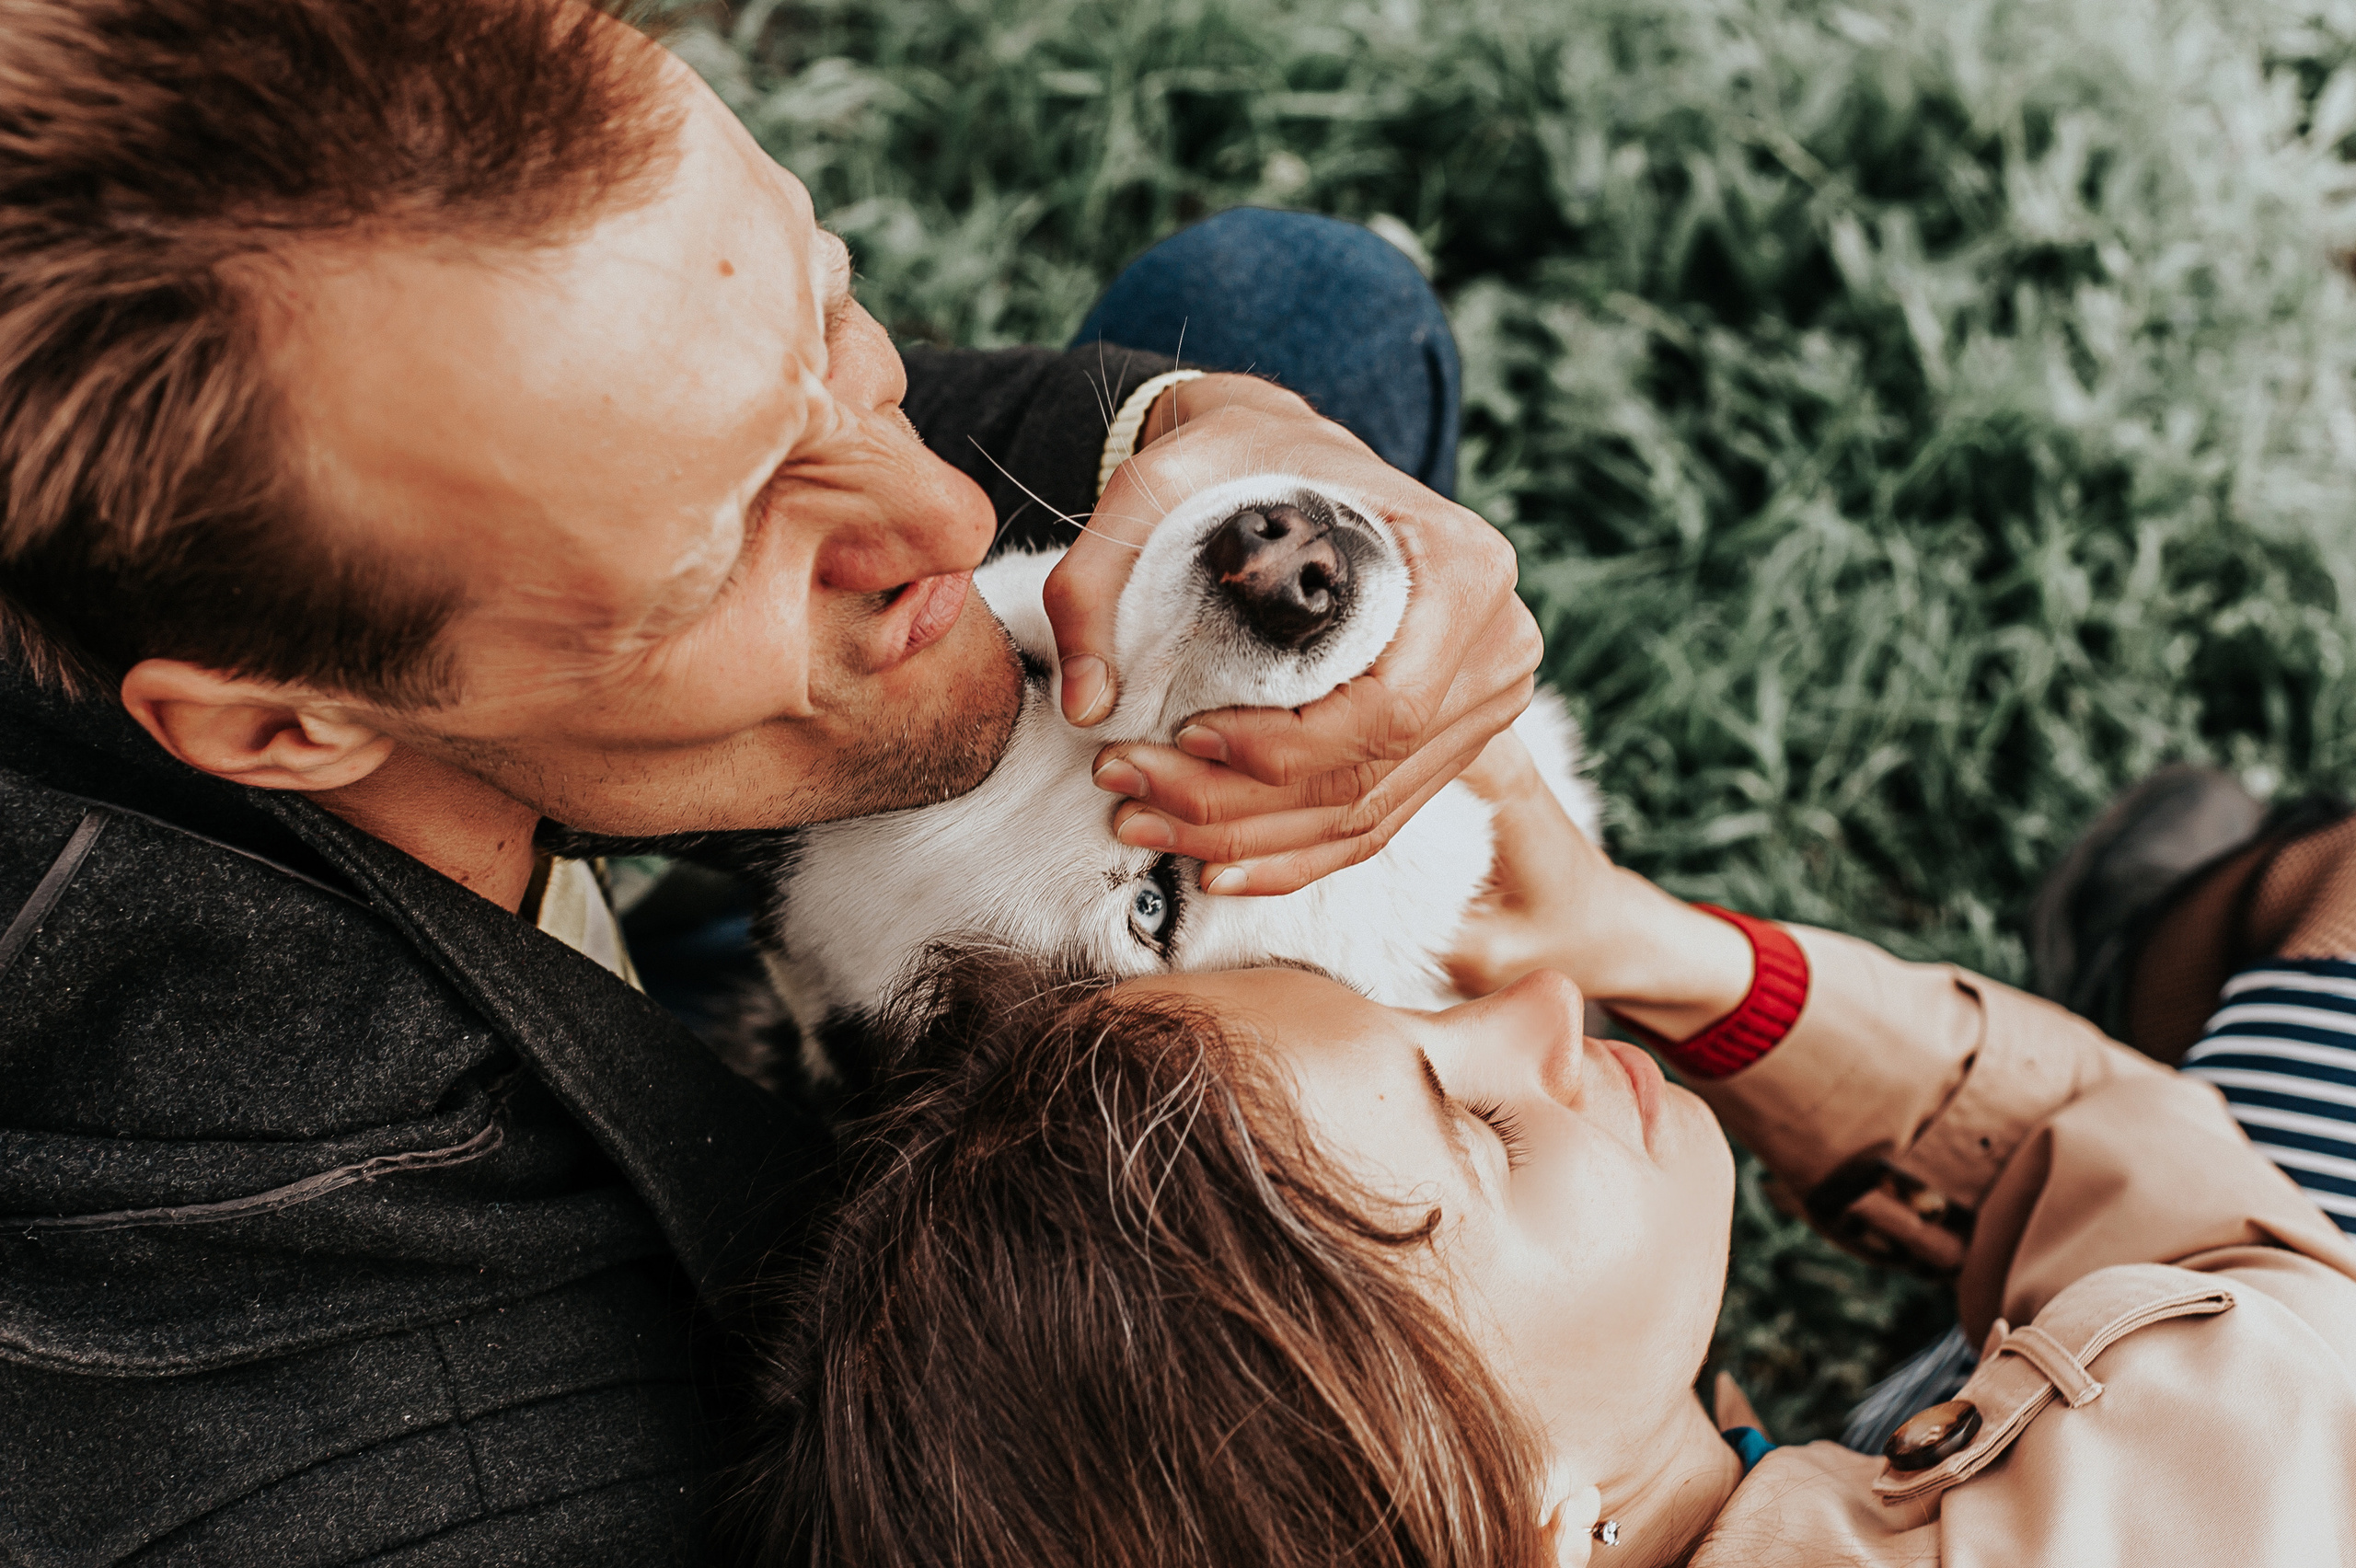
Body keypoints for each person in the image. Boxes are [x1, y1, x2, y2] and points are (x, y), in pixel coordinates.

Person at [0, 2, 1538, 1561]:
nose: (943, 513)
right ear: (286, 731)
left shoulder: (439, 538)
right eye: (725, 547)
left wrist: (1242, 433)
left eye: (828, 319)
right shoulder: (438, 1441)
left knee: (1285, 319)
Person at [734, 734, 2356, 1566]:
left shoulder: (1510, 1495)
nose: (1547, 1010)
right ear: (1538, 1522)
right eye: (1490, 1130)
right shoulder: (2195, 1448)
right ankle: (2196, 925)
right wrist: (1691, 958)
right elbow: (2187, 1216)